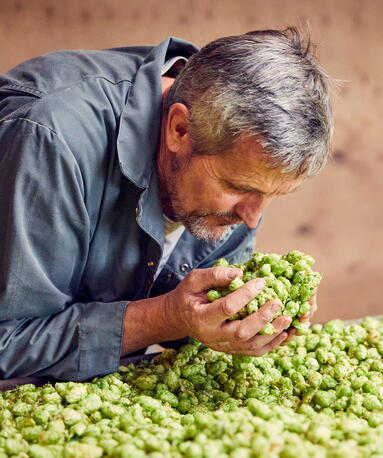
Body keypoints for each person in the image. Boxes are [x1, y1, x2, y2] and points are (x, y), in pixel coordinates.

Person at [0, 27, 333, 381]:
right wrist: (164, 317)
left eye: (272, 196)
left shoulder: (238, 162)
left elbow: (193, 321)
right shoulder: (50, 138)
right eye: (237, 187)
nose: (251, 219)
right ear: (179, 129)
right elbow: (7, 340)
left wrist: (234, 319)